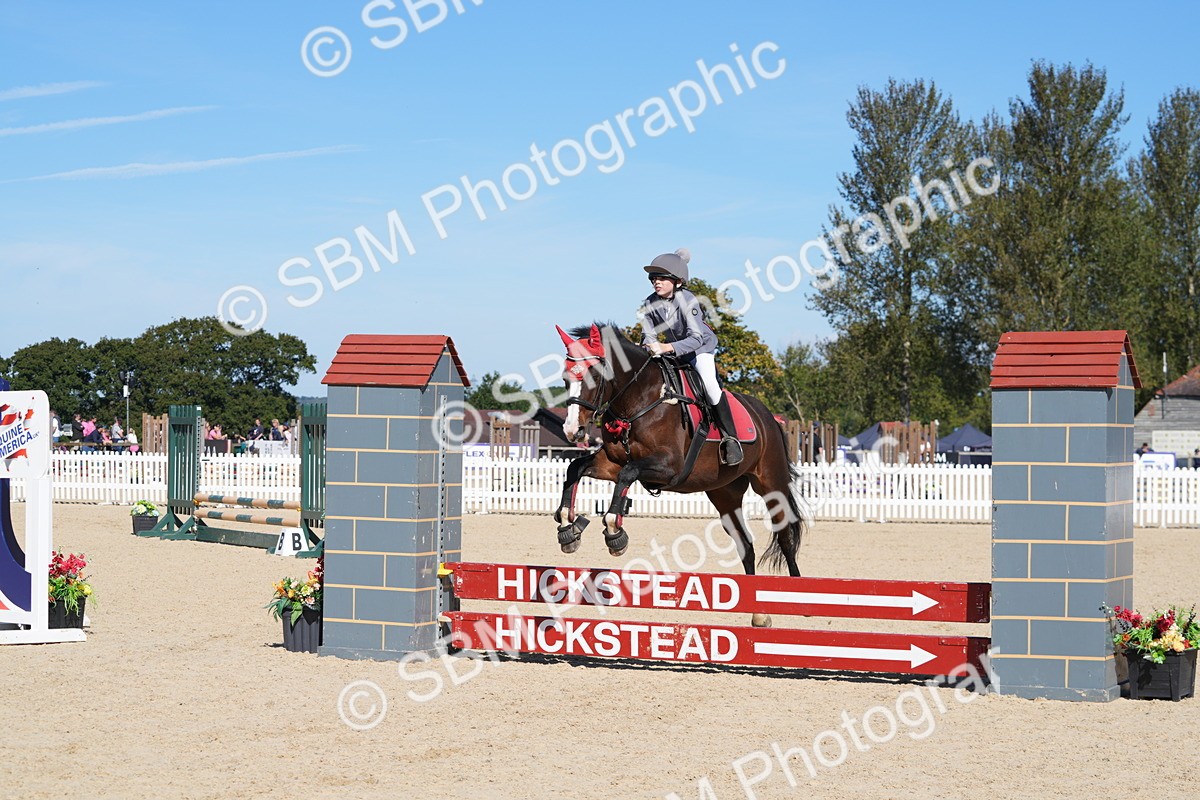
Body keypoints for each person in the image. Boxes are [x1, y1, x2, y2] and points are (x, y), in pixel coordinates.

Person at [637, 248, 742, 466]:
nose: (656, 282)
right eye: (653, 278)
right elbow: (648, 334)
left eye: (662, 278)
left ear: (677, 281)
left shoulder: (688, 300)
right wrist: (648, 347)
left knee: (710, 386)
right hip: (673, 350)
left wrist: (665, 347)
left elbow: (696, 338)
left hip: (700, 349)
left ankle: (730, 438)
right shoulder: (649, 303)